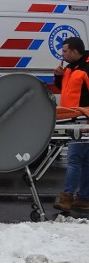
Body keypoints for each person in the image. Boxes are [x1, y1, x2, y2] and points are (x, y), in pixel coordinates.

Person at [53, 36, 89, 212]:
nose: (62, 54)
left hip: (83, 119)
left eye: (65, 51)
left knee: (74, 158)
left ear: (75, 52)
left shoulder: (86, 68)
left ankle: (66, 197)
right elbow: (64, 89)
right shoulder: (70, 68)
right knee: (84, 160)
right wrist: (58, 76)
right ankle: (84, 197)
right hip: (73, 118)